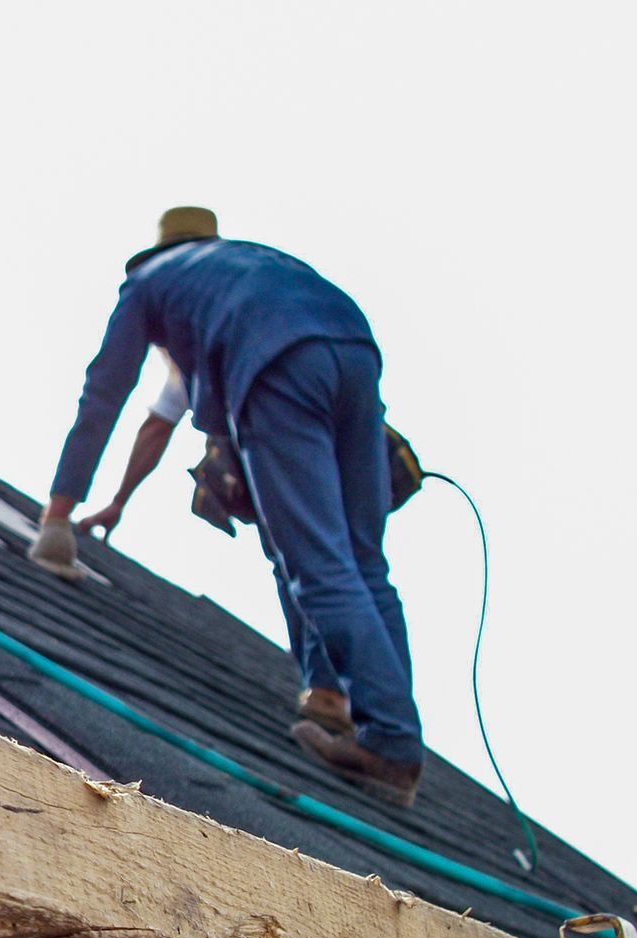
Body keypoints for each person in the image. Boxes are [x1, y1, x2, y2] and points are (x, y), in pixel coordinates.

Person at [31, 207, 423, 805]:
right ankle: (350, 707)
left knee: (316, 564)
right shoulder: (244, 264)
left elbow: (105, 391)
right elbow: (167, 421)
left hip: (278, 365)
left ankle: (389, 744)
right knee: (363, 562)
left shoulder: (150, 284)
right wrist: (116, 502)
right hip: (354, 351)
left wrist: (59, 515)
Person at [72, 359, 358, 741]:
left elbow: (157, 428)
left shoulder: (199, 349)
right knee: (330, 564)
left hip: (301, 444)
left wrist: (118, 501)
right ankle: (357, 698)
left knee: (302, 564)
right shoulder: (227, 341)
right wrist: (118, 502)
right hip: (341, 435)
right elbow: (157, 427)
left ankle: (331, 689)